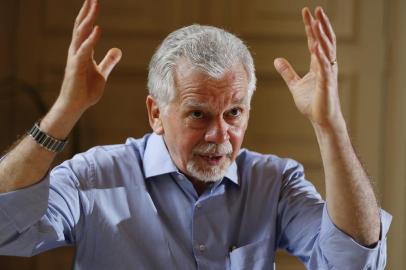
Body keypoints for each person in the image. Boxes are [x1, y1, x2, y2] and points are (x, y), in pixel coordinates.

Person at [0, 0, 391, 269]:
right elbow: (5, 231)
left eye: (234, 113)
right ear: (156, 113)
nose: (219, 135)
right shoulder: (95, 176)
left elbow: (353, 260)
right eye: (198, 115)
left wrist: (331, 124)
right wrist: (63, 113)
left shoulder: (275, 183)